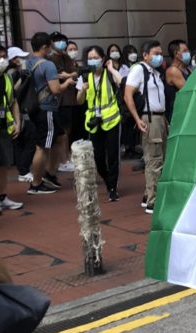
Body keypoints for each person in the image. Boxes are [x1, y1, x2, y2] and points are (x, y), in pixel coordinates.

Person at [25, 32, 74, 195]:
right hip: (46, 109)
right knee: (43, 147)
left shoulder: (28, 62)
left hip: (35, 108)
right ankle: (36, 184)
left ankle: (49, 174)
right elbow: (56, 89)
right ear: (45, 46)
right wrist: (67, 82)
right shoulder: (47, 65)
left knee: (60, 138)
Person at [124, 40, 167, 214]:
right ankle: (153, 201)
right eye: (156, 53)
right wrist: (137, 118)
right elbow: (128, 95)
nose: (159, 56)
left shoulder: (154, 72)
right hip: (149, 118)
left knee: (160, 157)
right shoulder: (139, 70)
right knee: (154, 160)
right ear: (146, 55)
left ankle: (147, 195)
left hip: (160, 118)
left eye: (160, 53)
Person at [76, 45, 123, 202]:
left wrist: (111, 69)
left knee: (112, 155)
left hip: (112, 119)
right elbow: (79, 100)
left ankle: (113, 188)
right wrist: (82, 90)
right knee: (98, 157)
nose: (93, 60)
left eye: (96, 57)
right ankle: (108, 180)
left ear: (103, 59)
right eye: (90, 58)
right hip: (94, 122)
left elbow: (121, 82)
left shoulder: (109, 74)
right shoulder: (85, 76)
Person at [48, 32, 78, 174]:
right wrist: (68, 75)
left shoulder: (66, 57)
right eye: (57, 41)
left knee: (68, 131)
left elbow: (74, 73)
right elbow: (59, 75)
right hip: (59, 100)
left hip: (70, 99)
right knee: (62, 132)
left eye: (63, 40)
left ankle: (65, 158)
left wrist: (68, 75)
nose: (61, 43)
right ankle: (62, 160)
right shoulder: (50, 59)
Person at [0, 45, 23, 212]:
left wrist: (17, 122)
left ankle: (1, 196)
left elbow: (13, 102)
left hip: (3, 127)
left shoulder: (7, 78)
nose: (2, 60)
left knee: (3, 164)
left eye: (3, 56)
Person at [6, 47, 33, 184]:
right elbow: (13, 94)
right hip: (16, 113)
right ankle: (23, 170)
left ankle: (24, 169)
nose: (21, 60)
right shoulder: (10, 74)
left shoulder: (18, 72)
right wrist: (21, 78)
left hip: (22, 111)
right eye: (18, 57)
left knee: (24, 140)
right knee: (25, 141)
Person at [165, 39, 191, 126]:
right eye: (185, 51)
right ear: (176, 53)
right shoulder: (173, 71)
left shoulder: (187, 69)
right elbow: (188, 90)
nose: (188, 53)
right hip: (177, 115)